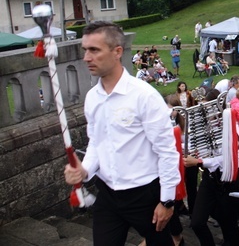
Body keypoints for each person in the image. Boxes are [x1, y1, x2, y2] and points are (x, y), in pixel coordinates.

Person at [64, 21, 180, 246]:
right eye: (85, 50)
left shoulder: (144, 96)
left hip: (144, 195)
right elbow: (97, 143)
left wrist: (166, 201)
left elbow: (167, 150)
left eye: (94, 50)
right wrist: (84, 170)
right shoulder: (92, 98)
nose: (87, 57)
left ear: (117, 51)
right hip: (108, 194)